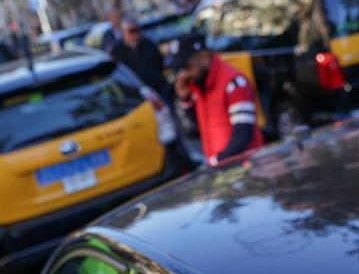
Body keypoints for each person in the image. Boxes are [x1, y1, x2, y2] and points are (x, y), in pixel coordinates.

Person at [171, 33, 264, 165]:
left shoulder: (233, 82)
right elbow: (195, 129)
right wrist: (186, 100)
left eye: (188, 67)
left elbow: (243, 132)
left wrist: (219, 161)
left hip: (245, 167)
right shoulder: (199, 85)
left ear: (204, 57)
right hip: (223, 168)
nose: (185, 74)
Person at [111, 18, 170, 103]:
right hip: (137, 96)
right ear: (123, 32)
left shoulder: (149, 44)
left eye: (138, 30)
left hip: (158, 88)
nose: (136, 34)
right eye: (131, 31)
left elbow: (159, 62)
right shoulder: (117, 51)